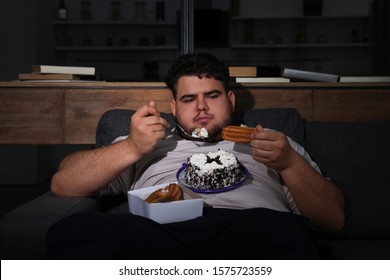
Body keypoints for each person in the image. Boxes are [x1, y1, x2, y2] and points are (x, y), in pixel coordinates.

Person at [46, 52, 345, 260]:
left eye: (212, 96)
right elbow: (63, 183)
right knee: (73, 230)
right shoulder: (145, 141)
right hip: (159, 232)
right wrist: (131, 148)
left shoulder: (274, 144)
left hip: (249, 229)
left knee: (289, 233)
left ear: (229, 100)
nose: (201, 107)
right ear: (174, 108)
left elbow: (333, 219)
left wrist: (290, 163)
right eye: (189, 99)